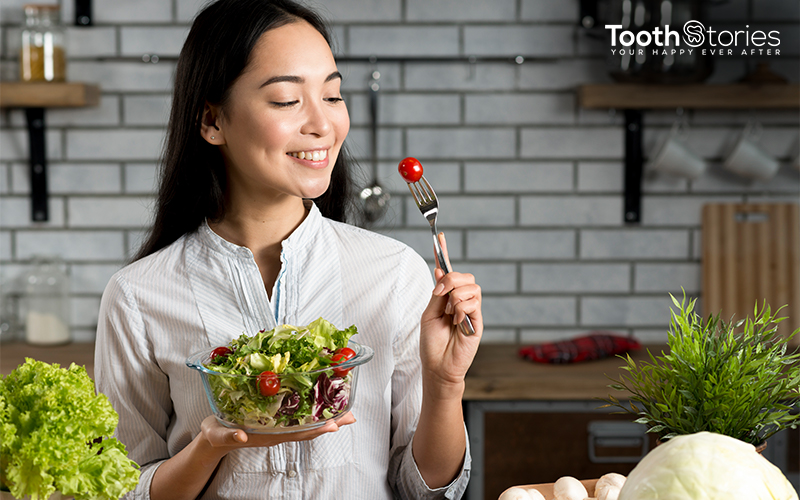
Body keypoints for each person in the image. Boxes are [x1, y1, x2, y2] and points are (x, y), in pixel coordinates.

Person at [93, 0, 483, 499]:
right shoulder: (138, 295)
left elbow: (421, 487)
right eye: (285, 100)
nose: (323, 124)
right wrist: (209, 447)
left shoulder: (394, 273)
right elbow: (123, 488)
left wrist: (447, 383)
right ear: (212, 121)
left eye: (333, 95)